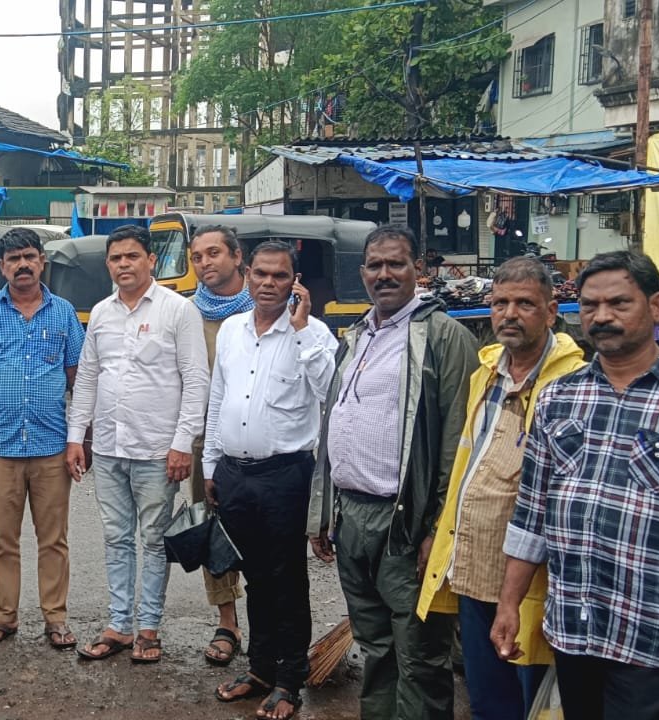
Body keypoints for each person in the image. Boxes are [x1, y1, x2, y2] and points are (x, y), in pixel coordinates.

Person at [494, 251, 659, 720]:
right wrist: (509, 603)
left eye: (619, 303)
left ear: (657, 306)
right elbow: (532, 512)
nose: (602, 317)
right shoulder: (561, 396)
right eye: (590, 306)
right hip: (574, 625)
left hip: (653, 633)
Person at [307, 224, 478, 720]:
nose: (384, 274)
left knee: (421, 655)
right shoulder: (358, 334)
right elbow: (334, 423)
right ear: (362, 272)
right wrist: (325, 514)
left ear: (417, 270)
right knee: (376, 647)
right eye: (375, 266)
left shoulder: (444, 336)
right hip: (353, 517)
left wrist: (437, 531)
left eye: (396, 264)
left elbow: (456, 443)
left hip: (407, 521)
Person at [415, 257, 584, 720]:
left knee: (536, 698)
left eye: (525, 303)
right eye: (501, 303)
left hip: (535, 578)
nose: (510, 314)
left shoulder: (571, 383)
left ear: (551, 312)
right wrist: (439, 535)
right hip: (474, 563)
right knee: (488, 698)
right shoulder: (485, 375)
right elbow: (468, 467)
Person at [205, 241, 337, 719]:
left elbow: (331, 393)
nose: (267, 283)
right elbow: (218, 398)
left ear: (294, 282)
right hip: (234, 473)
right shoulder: (232, 330)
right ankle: (260, 668)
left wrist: (301, 331)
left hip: (286, 476)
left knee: (287, 578)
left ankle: (289, 679)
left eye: (279, 276)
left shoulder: (314, 333)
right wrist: (209, 464)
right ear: (248, 272)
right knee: (254, 576)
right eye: (260, 273)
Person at [66, 225, 207, 664]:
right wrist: (77, 437)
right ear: (107, 265)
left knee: (152, 539)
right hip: (109, 447)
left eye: (132, 256)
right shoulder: (102, 313)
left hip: (156, 449)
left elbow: (195, 379)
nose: (123, 264)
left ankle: (148, 627)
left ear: (151, 260)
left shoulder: (178, 311)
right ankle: (119, 625)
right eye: (115, 258)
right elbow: (89, 377)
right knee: (116, 538)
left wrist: (183, 443)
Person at [0, 227, 86, 651]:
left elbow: (77, 378)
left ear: (42, 261)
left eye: (30, 257)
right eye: (14, 259)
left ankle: (56, 618)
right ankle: (4, 616)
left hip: (51, 447)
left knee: (54, 539)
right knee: (3, 538)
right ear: (2, 266)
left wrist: (80, 437)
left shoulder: (63, 312)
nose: (23, 265)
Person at [187, 225, 253, 665]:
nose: (205, 262)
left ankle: (271, 625)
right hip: (203, 445)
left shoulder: (270, 305)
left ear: (236, 255)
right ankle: (227, 624)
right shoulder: (187, 314)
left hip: (261, 445)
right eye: (196, 257)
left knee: (266, 538)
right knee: (214, 535)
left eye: (213, 253)